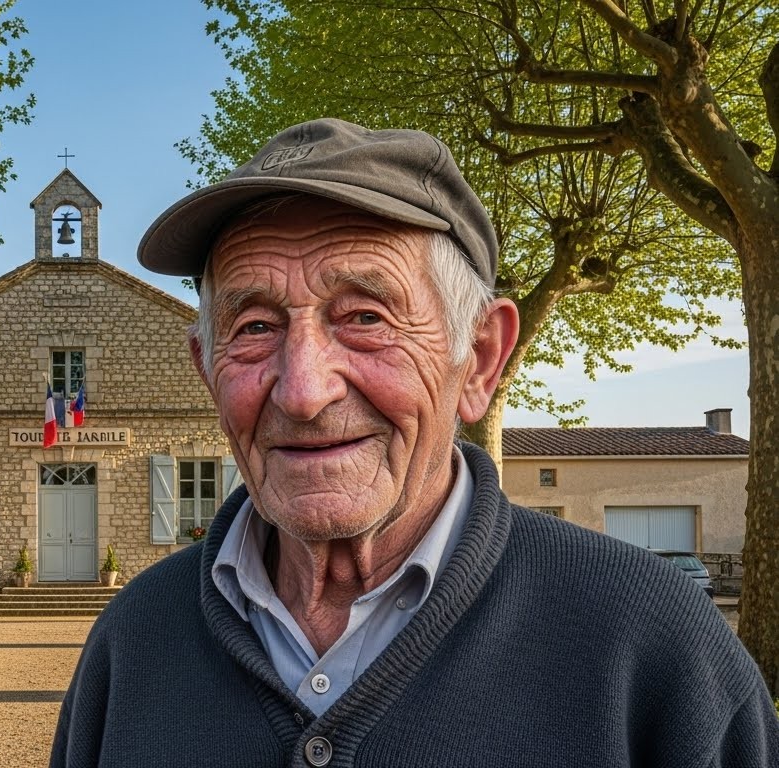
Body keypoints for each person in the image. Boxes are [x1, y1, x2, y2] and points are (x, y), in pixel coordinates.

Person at [49, 118, 778, 767]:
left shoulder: (650, 642)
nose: (303, 390)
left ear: (481, 358)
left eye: (365, 316)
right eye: (253, 328)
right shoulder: (134, 639)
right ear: (206, 369)